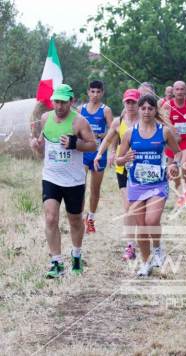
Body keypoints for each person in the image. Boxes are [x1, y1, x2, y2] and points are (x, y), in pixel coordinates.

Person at [29, 84, 97, 278]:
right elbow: (43, 149)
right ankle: (56, 263)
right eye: (56, 101)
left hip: (74, 179)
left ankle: (76, 255)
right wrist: (36, 146)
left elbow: (93, 145)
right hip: (51, 176)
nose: (59, 106)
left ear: (72, 101)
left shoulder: (79, 122)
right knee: (50, 218)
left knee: (75, 220)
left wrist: (75, 143)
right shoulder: (45, 119)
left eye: (63, 102)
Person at [115, 94, 180, 276]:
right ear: (138, 109)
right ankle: (146, 263)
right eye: (143, 108)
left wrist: (174, 164)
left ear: (155, 111)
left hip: (157, 184)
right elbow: (118, 161)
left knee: (151, 221)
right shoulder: (129, 133)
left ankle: (158, 248)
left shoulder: (164, 132)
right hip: (136, 185)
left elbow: (178, 152)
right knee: (141, 227)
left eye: (150, 108)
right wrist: (124, 159)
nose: (146, 112)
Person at [94, 89, 141, 261]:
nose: (130, 105)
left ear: (139, 103)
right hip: (123, 169)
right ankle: (130, 246)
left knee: (141, 207)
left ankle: (146, 239)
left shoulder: (146, 119)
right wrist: (101, 154)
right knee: (128, 206)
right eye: (127, 102)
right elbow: (107, 139)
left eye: (133, 102)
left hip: (143, 169)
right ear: (123, 103)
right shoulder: (118, 121)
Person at [79, 80, 114, 234]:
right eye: (92, 91)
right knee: (79, 187)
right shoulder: (81, 109)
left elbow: (114, 131)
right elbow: (76, 129)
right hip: (84, 153)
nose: (95, 95)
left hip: (99, 154)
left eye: (98, 92)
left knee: (95, 189)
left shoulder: (106, 110)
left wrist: (100, 135)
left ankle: (91, 219)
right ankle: (79, 219)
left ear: (102, 93)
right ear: (88, 92)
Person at [163, 80, 186, 207]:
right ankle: (179, 194)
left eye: (182, 89)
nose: (179, 92)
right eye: (177, 89)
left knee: (185, 166)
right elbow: (164, 122)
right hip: (172, 143)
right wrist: (172, 129)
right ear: (173, 91)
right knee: (174, 171)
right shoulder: (167, 106)